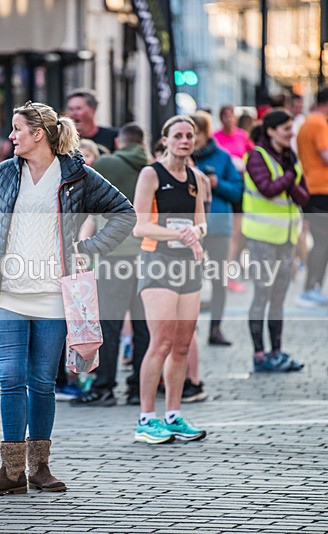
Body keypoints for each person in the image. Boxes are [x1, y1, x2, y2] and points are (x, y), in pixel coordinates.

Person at [0, 100, 135, 494]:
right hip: (6, 293)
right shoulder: (4, 173)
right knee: (10, 377)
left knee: (43, 381)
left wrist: (90, 247)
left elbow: (124, 213)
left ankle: (40, 467)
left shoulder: (76, 175)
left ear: (38, 134)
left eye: (17, 129)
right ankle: (10, 473)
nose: (11, 136)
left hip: (52, 296)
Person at [131, 115, 208, 445]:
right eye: (178, 135)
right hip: (157, 260)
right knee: (160, 342)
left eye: (189, 135)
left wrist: (195, 233)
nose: (185, 140)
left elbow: (201, 222)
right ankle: (146, 419)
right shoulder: (151, 174)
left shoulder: (197, 178)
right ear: (165, 140)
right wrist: (176, 233)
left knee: (182, 343)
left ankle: (173, 414)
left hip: (188, 263)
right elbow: (139, 225)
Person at [70, 122, 150, 407]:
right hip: (147, 255)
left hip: (113, 255)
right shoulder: (153, 168)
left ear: (119, 142)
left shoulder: (106, 164)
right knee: (143, 326)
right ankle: (139, 388)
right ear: (142, 143)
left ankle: (104, 387)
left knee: (110, 325)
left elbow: (88, 207)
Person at [242, 111, 308, 373]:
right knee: (262, 294)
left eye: (291, 128)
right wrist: (290, 177)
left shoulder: (290, 157)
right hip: (261, 238)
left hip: (286, 238)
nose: (290, 133)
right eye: (285, 128)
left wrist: (289, 179)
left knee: (279, 297)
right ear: (271, 131)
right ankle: (260, 356)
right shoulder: (257, 156)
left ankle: (277, 352)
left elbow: (304, 196)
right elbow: (267, 188)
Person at [191, 111, 244, 347]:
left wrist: (217, 183)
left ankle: (216, 328)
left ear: (205, 133)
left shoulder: (222, 157)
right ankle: (190, 326)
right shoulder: (183, 157)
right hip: (190, 229)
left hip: (218, 226)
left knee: (219, 279)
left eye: (195, 134)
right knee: (189, 279)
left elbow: (236, 191)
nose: (191, 139)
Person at [296, 87, 328, 308]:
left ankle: (314, 287)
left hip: (314, 188)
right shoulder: (319, 123)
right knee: (323, 240)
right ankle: (311, 288)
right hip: (321, 189)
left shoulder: (309, 122)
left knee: (325, 240)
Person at [214, 104, 254, 294]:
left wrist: (245, 166)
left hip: (239, 186)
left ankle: (230, 271)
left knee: (237, 234)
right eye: (225, 116)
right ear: (221, 118)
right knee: (227, 234)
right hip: (222, 188)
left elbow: (253, 156)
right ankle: (224, 274)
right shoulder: (216, 138)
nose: (229, 119)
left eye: (232, 116)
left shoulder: (242, 136)